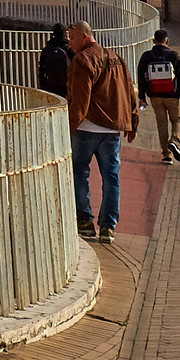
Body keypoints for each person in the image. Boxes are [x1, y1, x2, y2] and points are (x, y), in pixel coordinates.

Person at [64, 20, 139, 243]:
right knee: (112, 177)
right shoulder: (116, 58)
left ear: (85, 36)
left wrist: (71, 125)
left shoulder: (82, 60)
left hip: (86, 128)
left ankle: (85, 221)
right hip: (112, 129)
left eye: (72, 37)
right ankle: (108, 227)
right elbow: (129, 89)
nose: (69, 42)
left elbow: (80, 98)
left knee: (80, 173)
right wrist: (132, 119)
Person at [135, 28, 180, 162]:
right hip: (173, 95)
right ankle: (174, 141)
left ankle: (167, 155)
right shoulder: (173, 56)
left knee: (162, 124)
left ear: (154, 41)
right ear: (167, 41)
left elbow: (141, 78)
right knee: (177, 120)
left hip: (155, 95)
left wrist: (142, 97)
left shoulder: (146, 56)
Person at [36, 23, 72, 97]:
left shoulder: (47, 50)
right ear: (65, 34)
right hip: (66, 87)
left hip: (50, 86)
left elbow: (41, 70)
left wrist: (43, 87)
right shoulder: (69, 50)